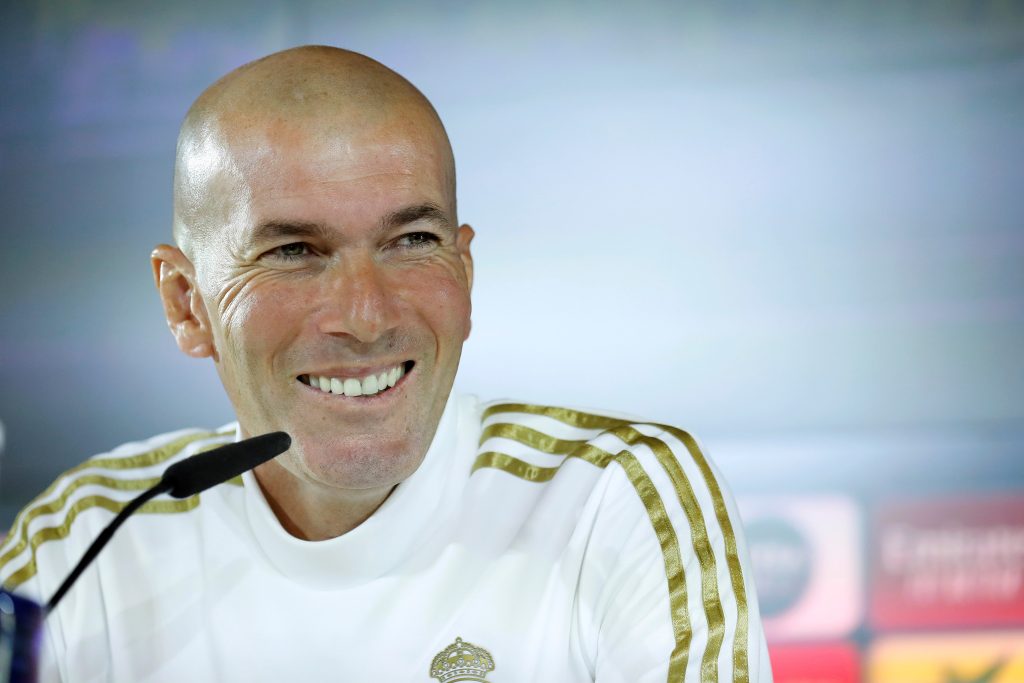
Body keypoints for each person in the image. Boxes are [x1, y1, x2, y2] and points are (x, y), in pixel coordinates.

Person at [0, 46, 771, 682]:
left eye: (412, 242)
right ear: (186, 303)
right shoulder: (85, 543)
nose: (366, 316)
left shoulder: (612, 497)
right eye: (293, 251)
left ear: (466, 275)